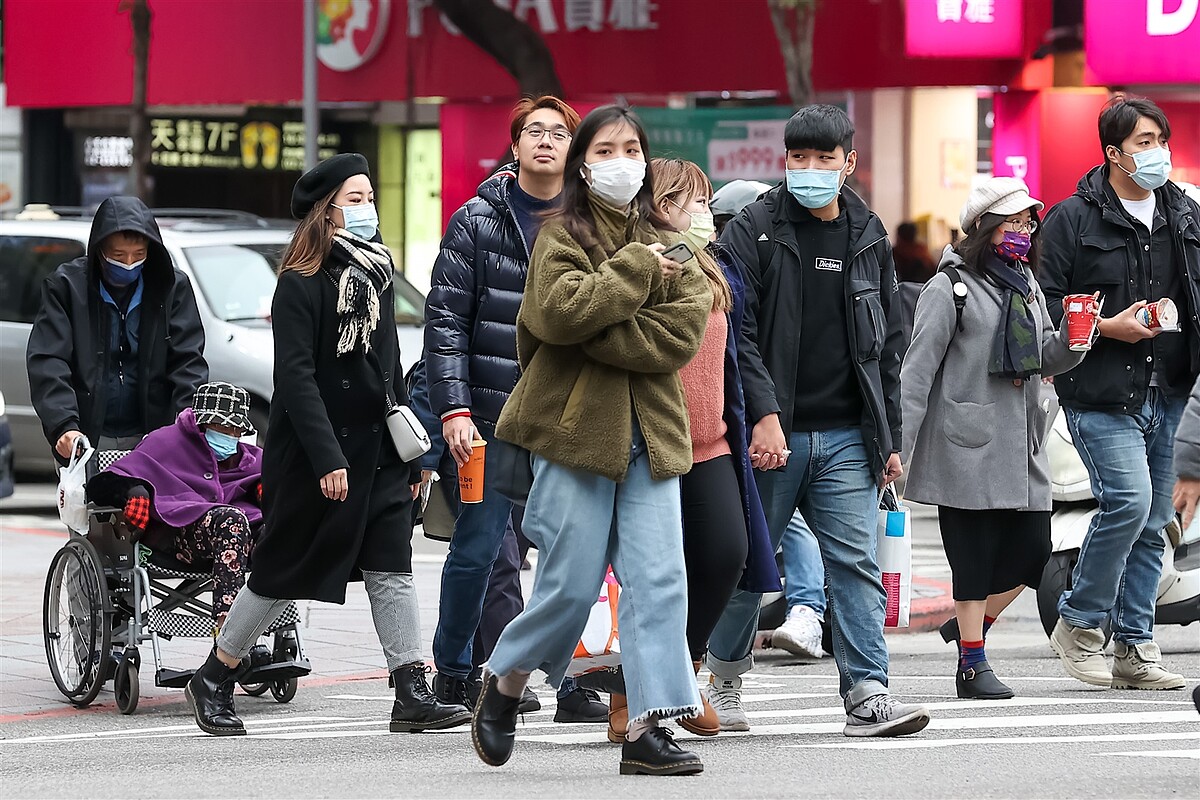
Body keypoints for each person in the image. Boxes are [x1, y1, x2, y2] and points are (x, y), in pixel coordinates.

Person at [183, 154, 470, 736]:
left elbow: (389, 370)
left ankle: (410, 689)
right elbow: (295, 378)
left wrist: (412, 453)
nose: (367, 209)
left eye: (370, 197)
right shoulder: (299, 283)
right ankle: (215, 674)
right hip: (318, 455)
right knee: (281, 569)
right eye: (356, 199)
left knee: (393, 565)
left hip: (379, 451)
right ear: (327, 212)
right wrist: (327, 458)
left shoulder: (377, 274)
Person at [470, 105, 711, 776]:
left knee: (661, 581)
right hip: (575, 433)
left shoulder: (680, 241)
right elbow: (556, 313)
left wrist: (598, 325)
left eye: (633, 147)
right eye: (607, 147)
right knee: (569, 588)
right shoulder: (560, 236)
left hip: (652, 435)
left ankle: (648, 726)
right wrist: (636, 271)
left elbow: (678, 337)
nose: (622, 159)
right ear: (584, 160)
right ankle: (507, 679)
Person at [709, 103, 930, 738]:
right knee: (751, 564)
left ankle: (868, 693)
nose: (809, 170)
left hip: (845, 435)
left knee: (856, 565)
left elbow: (887, 344)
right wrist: (764, 415)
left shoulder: (868, 234)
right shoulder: (754, 229)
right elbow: (736, 333)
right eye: (798, 158)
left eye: (823, 159)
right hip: (769, 435)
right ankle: (724, 678)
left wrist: (887, 438)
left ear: (848, 162)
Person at [424, 95, 604, 723]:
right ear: (516, 144)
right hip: (492, 417)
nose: (547, 142)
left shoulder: (593, 222)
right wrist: (453, 409)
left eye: (560, 133)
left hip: (570, 419)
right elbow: (445, 320)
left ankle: (573, 684)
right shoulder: (479, 219)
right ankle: (451, 675)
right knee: (479, 547)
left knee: (573, 555)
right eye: (535, 131)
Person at [902, 178, 1096, 698]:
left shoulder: (1025, 283)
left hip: (1022, 443)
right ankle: (972, 664)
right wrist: (898, 449)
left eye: (1029, 221)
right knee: (973, 558)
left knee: (1033, 554)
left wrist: (1077, 340)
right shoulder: (949, 288)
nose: (1025, 231)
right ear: (987, 228)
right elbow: (916, 374)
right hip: (965, 443)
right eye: (1014, 222)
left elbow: (1042, 356)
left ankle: (968, 628)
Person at [613, 157, 779, 741]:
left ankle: (677, 673)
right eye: (694, 202)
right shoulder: (635, 262)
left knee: (726, 554)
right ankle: (639, 691)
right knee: (655, 574)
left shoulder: (710, 264)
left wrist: (754, 419)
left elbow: (735, 355)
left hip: (711, 438)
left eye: (706, 203)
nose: (705, 214)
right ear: (659, 204)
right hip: (652, 441)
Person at [1040, 96, 1198, 690]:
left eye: (1160, 140)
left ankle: (1136, 646)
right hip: (1100, 391)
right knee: (1129, 503)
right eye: (1143, 143)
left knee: (1156, 518)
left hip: (1171, 387)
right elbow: (1046, 300)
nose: (1156, 153)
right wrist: (1106, 327)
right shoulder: (1071, 220)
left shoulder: (1182, 213)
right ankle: (1078, 625)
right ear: (1113, 153)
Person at [26, 196, 208, 458]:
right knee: (90, 499)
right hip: (86, 437)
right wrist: (63, 425)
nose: (129, 263)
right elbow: (49, 361)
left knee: (151, 499)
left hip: (155, 437)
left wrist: (186, 419)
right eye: (118, 256)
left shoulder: (171, 288)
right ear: (99, 251)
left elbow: (187, 360)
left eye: (139, 255)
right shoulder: (66, 287)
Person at [88, 382, 263, 625]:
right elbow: (102, 483)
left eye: (235, 430)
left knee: (276, 531)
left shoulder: (249, 457)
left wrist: (267, 490)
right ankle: (228, 634)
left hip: (241, 540)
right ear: (202, 423)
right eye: (222, 427)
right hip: (180, 535)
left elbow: (273, 483)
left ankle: (264, 622)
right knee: (230, 520)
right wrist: (134, 491)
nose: (230, 436)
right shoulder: (166, 442)